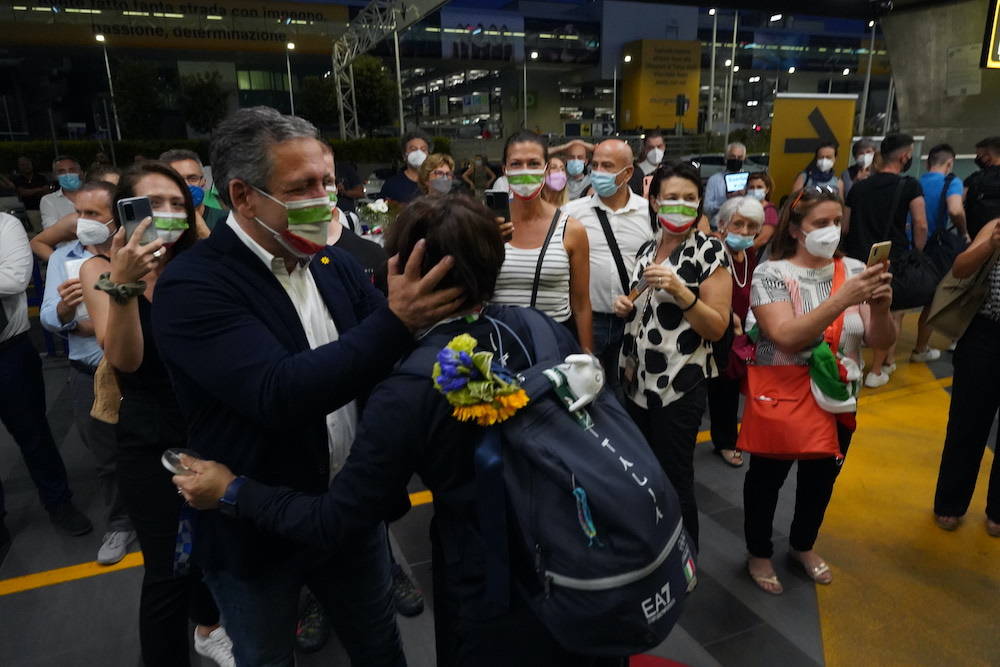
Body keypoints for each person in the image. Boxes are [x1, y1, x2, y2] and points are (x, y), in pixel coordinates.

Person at [173, 194, 629, 667]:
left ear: (404, 264)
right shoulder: (536, 326)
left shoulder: (411, 387)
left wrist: (232, 492)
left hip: (491, 582)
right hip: (578, 554)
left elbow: (334, 519)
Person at [151, 106, 461, 666]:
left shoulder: (329, 264)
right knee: (268, 655)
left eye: (327, 180)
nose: (325, 198)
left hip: (346, 511)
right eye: (301, 187)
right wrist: (398, 320)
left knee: (379, 646)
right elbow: (278, 392)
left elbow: (391, 357)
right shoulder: (193, 285)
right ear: (243, 196)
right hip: (252, 524)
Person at [78, 162, 233, 667]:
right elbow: (125, 360)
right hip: (151, 439)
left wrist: (202, 239)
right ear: (125, 213)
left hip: (214, 426)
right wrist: (124, 284)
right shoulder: (100, 271)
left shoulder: (201, 265)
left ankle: (209, 627)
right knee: (168, 570)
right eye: (151, 204)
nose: (166, 214)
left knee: (212, 549)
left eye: (177, 203)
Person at [744, 186, 895, 594]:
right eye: (819, 223)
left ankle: (802, 545)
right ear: (795, 229)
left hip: (838, 397)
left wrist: (879, 306)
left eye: (836, 223)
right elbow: (786, 336)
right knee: (766, 479)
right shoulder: (771, 273)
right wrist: (841, 299)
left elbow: (880, 341)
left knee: (821, 480)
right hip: (782, 394)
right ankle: (758, 552)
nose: (830, 231)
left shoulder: (857, 269)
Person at [613, 161, 732, 548]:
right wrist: (627, 305)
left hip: (678, 386)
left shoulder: (710, 251)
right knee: (642, 471)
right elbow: (646, 307)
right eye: (671, 198)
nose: (680, 205)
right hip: (636, 383)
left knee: (675, 475)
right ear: (654, 201)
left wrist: (681, 291)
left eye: (689, 199)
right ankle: (652, 545)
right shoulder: (648, 248)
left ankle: (686, 554)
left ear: (700, 204)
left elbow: (716, 327)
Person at [39, 180, 135, 565]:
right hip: (88, 373)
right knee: (106, 456)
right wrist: (65, 312)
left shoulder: (136, 253)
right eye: (78, 213)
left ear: (117, 217)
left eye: (93, 214)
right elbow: (48, 316)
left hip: (139, 371)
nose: (82, 222)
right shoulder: (64, 257)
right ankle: (120, 523)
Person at [0, 211, 93, 565]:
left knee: (33, 433)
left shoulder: (4, 226)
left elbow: (12, 279)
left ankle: (59, 503)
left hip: (7, 350)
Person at [564, 139, 653, 391]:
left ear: (627, 173)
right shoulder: (572, 213)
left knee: (630, 393)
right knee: (591, 392)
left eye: (607, 166)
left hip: (635, 321)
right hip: (591, 321)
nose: (598, 172)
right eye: (595, 165)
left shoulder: (648, 214)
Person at [491, 132, 592, 349]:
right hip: (498, 342)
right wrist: (487, 247)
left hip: (554, 344)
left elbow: (581, 304)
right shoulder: (484, 226)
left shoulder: (571, 229)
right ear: (505, 170)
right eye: (516, 164)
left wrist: (587, 355)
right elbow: (471, 293)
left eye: (533, 163)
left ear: (546, 169)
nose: (525, 170)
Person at [843, 134, 928, 387]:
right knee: (890, 311)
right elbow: (921, 224)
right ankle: (878, 368)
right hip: (892, 258)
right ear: (905, 157)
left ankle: (854, 360)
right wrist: (918, 252)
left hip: (857, 256)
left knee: (857, 310)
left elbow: (846, 226)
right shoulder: (909, 186)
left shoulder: (858, 187)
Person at [933, 218, 1000, 538]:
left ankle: (998, 511)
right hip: (984, 336)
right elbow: (959, 269)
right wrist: (991, 244)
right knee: (966, 424)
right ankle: (950, 502)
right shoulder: (996, 227)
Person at [706, 196, 764, 468]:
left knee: (727, 388)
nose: (743, 231)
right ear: (722, 224)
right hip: (713, 325)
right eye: (737, 224)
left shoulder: (749, 253)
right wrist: (731, 319)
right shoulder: (713, 249)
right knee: (707, 386)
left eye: (751, 226)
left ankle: (726, 441)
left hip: (736, 331)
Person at [912, 144, 968, 358]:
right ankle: (920, 348)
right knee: (932, 298)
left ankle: (887, 359)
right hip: (935, 248)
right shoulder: (952, 182)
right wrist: (964, 232)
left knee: (900, 300)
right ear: (950, 163)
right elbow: (954, 209)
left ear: (927, 163)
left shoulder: (915, 182)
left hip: (910, 245)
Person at [159, 148, 222, 234]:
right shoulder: (156, 226)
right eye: (177, 179)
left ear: (203, 181)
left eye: (192, 178)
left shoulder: (227, 220)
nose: (186, 185)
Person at [379, 130, 432, 204]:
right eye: (413, 149)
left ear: (428, 155)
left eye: (423, 149)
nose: (419, 153)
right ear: (404, 155)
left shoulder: (435, 181)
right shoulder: (392, 185)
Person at [964, 136, 1000, 239]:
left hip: (978, 240)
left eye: (979, 156)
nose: (977, 159)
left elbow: (958, 204)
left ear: (988, 157)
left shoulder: (975, 178)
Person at [704, 142, 748, 221]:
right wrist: (726, 200)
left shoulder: (748, 180)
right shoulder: (714, 180)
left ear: (743, 159)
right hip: (718, 226)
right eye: (733, 156)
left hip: (741, 225)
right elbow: (707, 208)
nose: (736, 160)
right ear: (726, 158)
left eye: (739, 157)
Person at [40, 155, 83, 228]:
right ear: (55, 176)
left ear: (80, 172)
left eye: (72, 170)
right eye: (62, 172)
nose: (67, 175)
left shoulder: (95, 196)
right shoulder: (49, 200)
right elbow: (52, 230)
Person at [12, 156, 51, 232]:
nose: (26, 166)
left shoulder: (41, 177)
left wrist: (32, 191)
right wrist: (40, 189)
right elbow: (24, 193)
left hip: (46, 208)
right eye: (23, 165)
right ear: (19, 167)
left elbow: (47, 191)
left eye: (28, 164)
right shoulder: (18, 180)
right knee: (39, 231)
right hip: (31, 210)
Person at [746, 171, 779, 250]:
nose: (755, 190)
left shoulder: (769, 210)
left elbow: (763, 239)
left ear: (767, 189)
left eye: (759, 187)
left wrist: (744, 253)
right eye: (752, 187)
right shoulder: (744, 206)